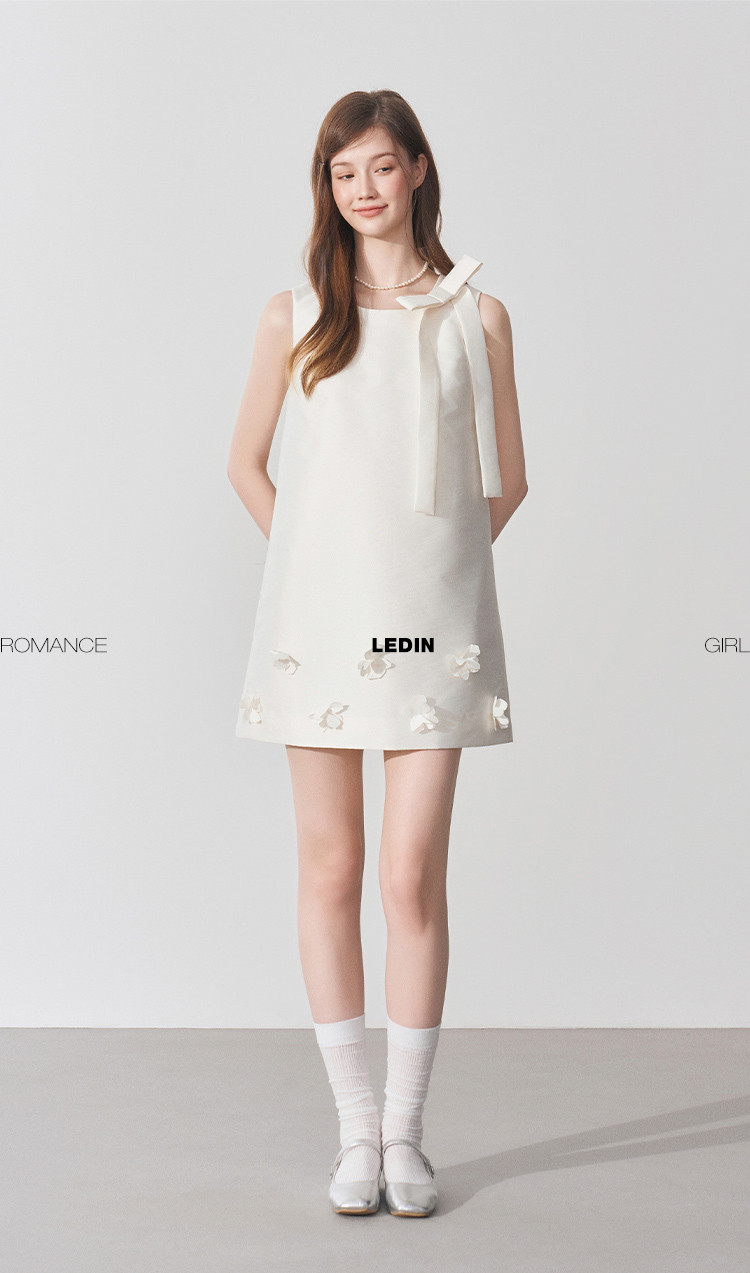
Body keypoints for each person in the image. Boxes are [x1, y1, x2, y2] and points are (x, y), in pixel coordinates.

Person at [227, 89, 528, 1217]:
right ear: (329, 185)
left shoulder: (476, 315)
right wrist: (317, 576)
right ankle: (356, 1130)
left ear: (418, 170)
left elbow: (508, 482)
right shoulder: (295, 312)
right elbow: (246, 463)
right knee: (333, 868)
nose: (363, 188)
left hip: (428, 636)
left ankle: (407, 1134)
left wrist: (427, 583)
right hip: (316, 633)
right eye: (342, 171)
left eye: (381, 166)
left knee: (410, 876)